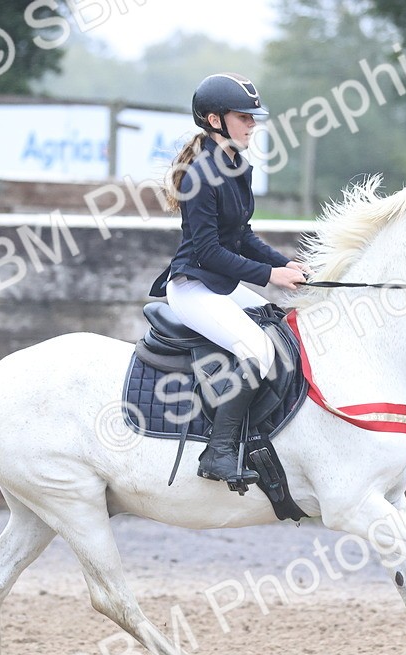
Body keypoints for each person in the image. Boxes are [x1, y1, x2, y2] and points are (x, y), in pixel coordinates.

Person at [149, 73, 307, 486]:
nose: (252, 124)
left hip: (219, 283)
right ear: (215, 120)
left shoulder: (237, 165)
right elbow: (208, 252)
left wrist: (287, 265)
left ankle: (260, 433)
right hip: (193, 286)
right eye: (244, 117)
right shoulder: (201, 175)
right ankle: (217, 453)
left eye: (254, 117)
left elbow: (243, 235)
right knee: (258, 351)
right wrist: (270, 275)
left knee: (280, 328)